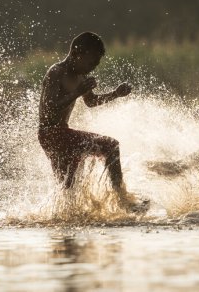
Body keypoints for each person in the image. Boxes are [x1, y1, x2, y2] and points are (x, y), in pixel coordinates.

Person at [38, 31, 145, 211]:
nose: (93, 68)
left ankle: (66, 220)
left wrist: (115, 94)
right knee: (111, 146)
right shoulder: (56, 72)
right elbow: (49, 108)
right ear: (76, 53)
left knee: (67, 187)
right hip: (51, 134)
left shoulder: (82, 76)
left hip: (61, 135)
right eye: (91, 62)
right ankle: (123, 200)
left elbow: (91, 102)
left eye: (96, 64)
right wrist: (76, 92)